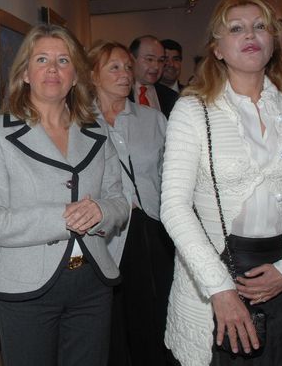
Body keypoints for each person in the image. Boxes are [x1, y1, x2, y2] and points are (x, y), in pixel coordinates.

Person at [159, 0, 282, 365]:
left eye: (260, 26)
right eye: (236, 28)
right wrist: (220, 289)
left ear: (273, 41)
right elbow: (174, 207)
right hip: (214, 268)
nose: (250, 35)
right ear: (218, 49)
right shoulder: (193, 110)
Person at [0, 25, 129, 365]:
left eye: (63, 60)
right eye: (42, 59)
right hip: (27, 289)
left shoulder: (97, 131)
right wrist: (64, 217)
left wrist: (101, 211)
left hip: (93, 284)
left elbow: (119, 201)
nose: (53, 69)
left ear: (75, 76)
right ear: (26, 72)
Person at [87, 41, 171, 365]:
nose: (126, 75)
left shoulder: (153, 120)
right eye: (115, 68)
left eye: (127, 66)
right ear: (93, 74)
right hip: (105, 232)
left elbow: (171, 172)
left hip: (153, 227)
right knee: (112, 314)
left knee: (154, 307)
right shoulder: (77, 124)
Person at [129, 35, 179, 118]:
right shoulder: (120, 93)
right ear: (131, 59)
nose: (156, 66)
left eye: (161, 60)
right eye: (150, 59)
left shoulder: (172, 98)